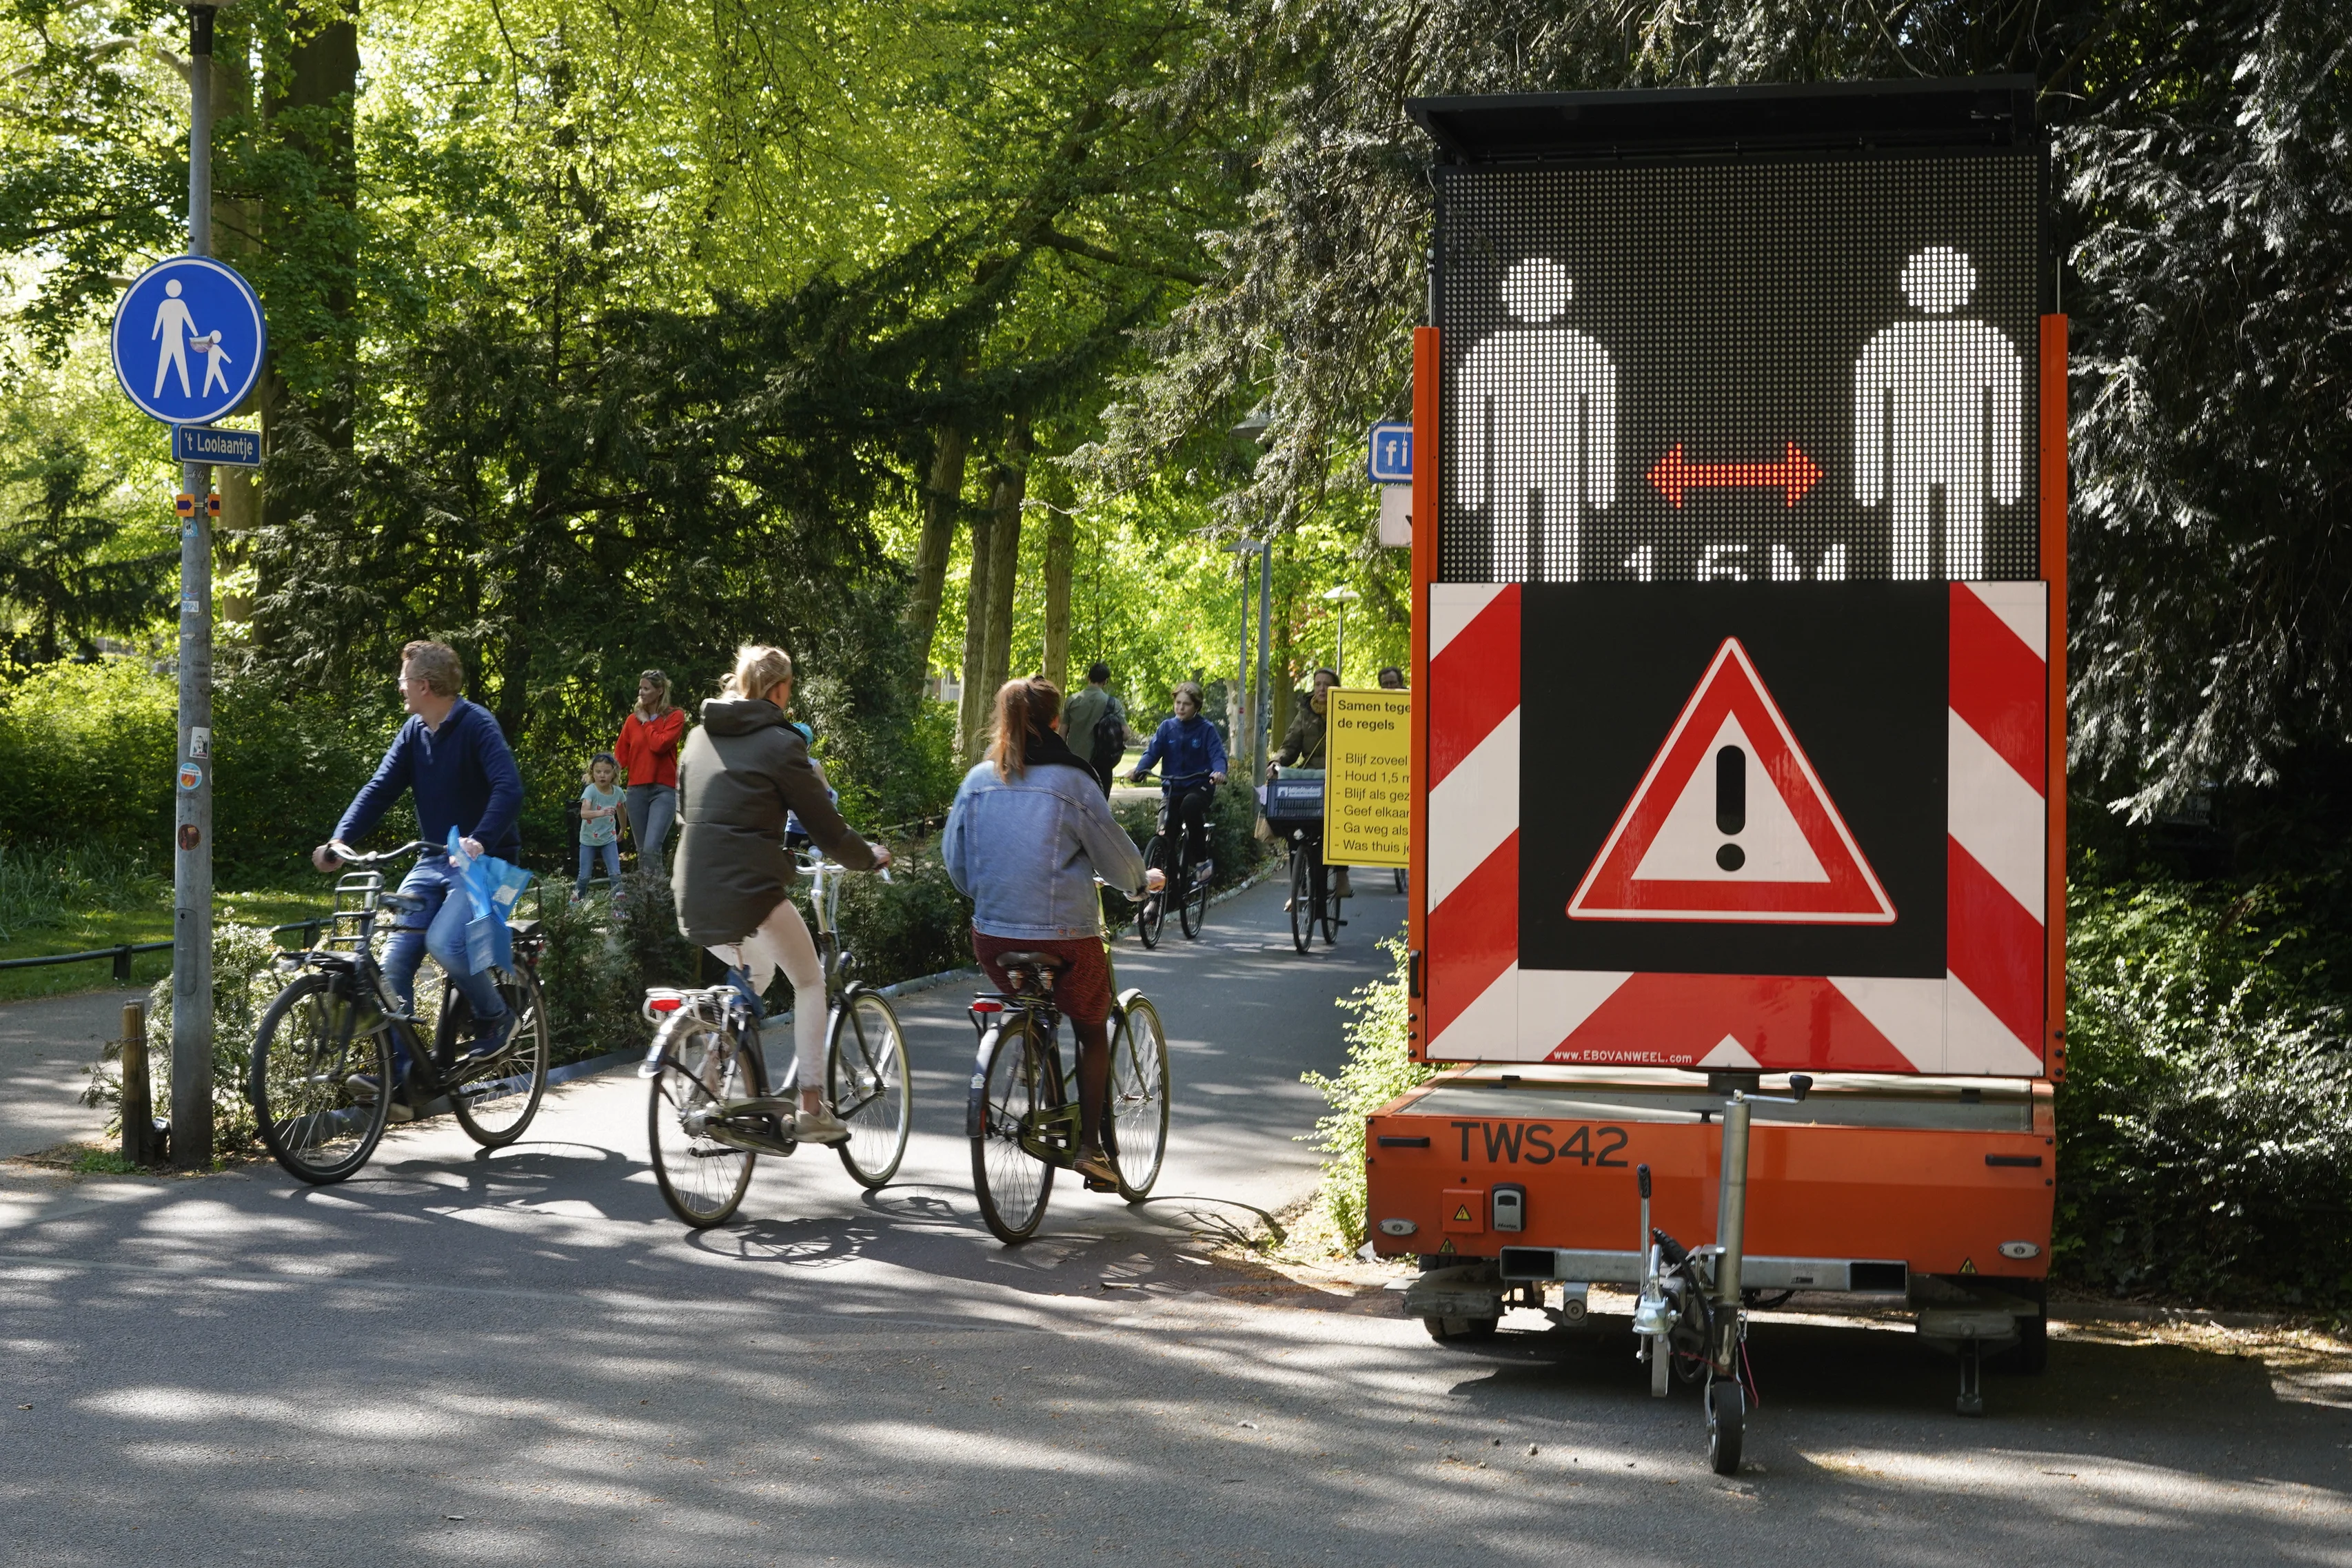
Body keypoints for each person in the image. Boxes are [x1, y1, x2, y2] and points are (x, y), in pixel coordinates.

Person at [944, 678, 1163, 1188]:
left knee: (1032, 1000)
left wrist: (991, 894)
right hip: (1067, 936)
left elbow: (956, 863)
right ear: (1056, 722)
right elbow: (1113, 852)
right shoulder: (1074, 782)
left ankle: (1030, 1044)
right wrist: (1140, 883)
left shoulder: (977, 781)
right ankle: (1091, 1150)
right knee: (1090, 1024)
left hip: (994, 937)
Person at [672, 646, 889, 1145]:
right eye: (789, 688)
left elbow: (689, 812)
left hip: (692, 891)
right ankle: (812, 1108)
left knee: (759, 970)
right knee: (810, 980)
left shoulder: (698, 737)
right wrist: (867, 856)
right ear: (778, 689)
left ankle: (711, 1085)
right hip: (750, 889)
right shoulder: (781, 742)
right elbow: (827, 828)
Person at [314, 641, 522, 1114]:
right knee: (393, 963)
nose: (400, 687)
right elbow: (380, 787)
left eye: (403, 680)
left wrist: (480, 839)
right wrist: (339, 840)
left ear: (425, 685)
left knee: (446, 942)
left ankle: (496, 1017)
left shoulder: (477, 725)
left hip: (490, 862)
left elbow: (509, 789)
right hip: (433, 860)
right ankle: (406, 1079)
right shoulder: (414, 731)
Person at [1128, 681, 1227, 874]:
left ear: (1197, 706)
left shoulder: (1206, 729)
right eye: (1178, 703)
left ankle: (1201, 861)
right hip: (1172, 789)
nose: (1181, 707)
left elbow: (1218, 755)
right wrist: (1139, 770)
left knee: (1190, 806)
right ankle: (1170, 886)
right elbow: (1152, 753)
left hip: (1199, 786)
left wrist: (1219, 772)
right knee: (1165, 835)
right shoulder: (1167, 727)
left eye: (1186, 704)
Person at [1271, 667, 1349, 900]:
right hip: (1310, 780)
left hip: (1338, 777)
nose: (1322, 688)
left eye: (1327, 684)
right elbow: (1290, 746)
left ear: (1336, 688)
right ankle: (1297, 888)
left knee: (1338, 826)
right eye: (1317, 684)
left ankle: (1342, 876)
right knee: (1295, 831)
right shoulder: (1304, 714)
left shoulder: (1348, 711)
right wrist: (1276, 762)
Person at [615, 669, 685, 874]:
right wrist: (600, 780)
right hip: (636, 791)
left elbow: (659, 745)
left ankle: (657, 892)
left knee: (651, 848)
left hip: (663, 791)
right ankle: (648, 893)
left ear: (660, 690)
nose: (641, 692)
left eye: (646, 688)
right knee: (642, 851)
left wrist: (646, 722)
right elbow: (619, 757)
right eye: (640, 688)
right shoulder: (632, 721)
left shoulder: (675, 716)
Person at [1061, 660, 1126, 796]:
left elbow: (1062, 734)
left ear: (1088, 678)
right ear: (1106, 681)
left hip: (1075, 763)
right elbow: (1125, 734)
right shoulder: (1113, 704)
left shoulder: (1072, 701)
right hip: (1101, 766)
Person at [576, 753, 627, 902]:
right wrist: (601, 812)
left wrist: (623, 829)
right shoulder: (590, 791)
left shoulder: (617, 793)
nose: (602, 775)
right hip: (588, 840)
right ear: (592, 773)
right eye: (598, 772)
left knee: (615, 874)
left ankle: (619, 908)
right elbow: (584, 813)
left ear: (614, 773)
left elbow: (621, 811)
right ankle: (574, 905)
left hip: (608, 839)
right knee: (584, 876)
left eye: (607, 772)